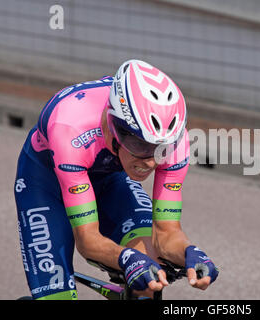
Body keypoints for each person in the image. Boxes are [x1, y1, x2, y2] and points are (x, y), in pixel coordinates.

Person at [14, 59, 219, 300]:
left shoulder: (175, 141)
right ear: (113, 126)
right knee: (57, 296)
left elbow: (166, 233)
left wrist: (190, 253)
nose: (151, 162)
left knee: (151, 272)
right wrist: (126, 259)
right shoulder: (69, 126)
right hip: (46, 183)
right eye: (139, 145)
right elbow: (88, 241)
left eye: (160, 149)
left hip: (111, 178)